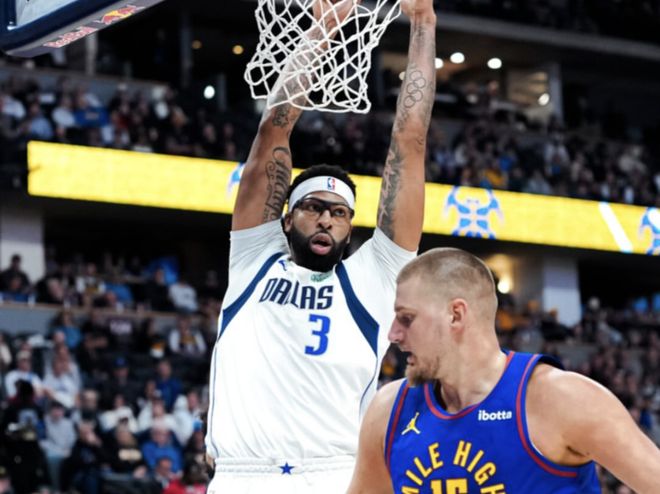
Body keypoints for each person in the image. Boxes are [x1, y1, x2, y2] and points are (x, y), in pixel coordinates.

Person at [204, 0, 436, 491]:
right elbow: (273, 129)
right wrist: (322, 29)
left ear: (350, 227)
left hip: (335, 474)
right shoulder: (254, 257)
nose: (327, 218)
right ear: (287, 218)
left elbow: (410, 142)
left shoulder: (374, 276)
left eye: (339, 212)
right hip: (243, 474)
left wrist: (423, 23)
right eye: (313, 207)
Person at [347, 248, 660, 494]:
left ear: (455, 315)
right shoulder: (388, 409)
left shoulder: (562, 398)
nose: (393, 334)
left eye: (407, 318)